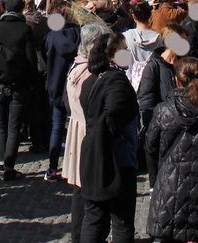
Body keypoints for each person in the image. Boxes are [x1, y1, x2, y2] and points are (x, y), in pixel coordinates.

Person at [146, 56, 198, 243]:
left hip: (169, 183)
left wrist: (155, 179)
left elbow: (150, 147)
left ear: (176, 79)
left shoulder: (163, 110)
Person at [79, 31, 139, 243]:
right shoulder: (116, 82)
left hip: (93, 155)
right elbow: (112, 115)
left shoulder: (92, 80)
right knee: (120, 219)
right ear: (111, 55)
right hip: (114, 158)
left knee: (94, 216)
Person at [64, 22, 112, 242]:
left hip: (78, 130)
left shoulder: (75, 67)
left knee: (79, 190)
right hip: (89, 133)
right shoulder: (91, 75)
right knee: (90, 195)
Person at [0, 0, 38, 180]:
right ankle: (8, 166)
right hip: (19, 83)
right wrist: (33, 82)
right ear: (21, 9)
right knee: (14, 126)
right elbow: (31, 59)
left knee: (0, 125)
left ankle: (1, 163)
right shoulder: (24, 29)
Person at [45, 5, 81, 181]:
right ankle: (77, 167)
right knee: (79, 126)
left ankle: (52, 168)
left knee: (57, 127)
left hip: (56, 83)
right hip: (76, 84)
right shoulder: (78, 33)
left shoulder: (51, 36)